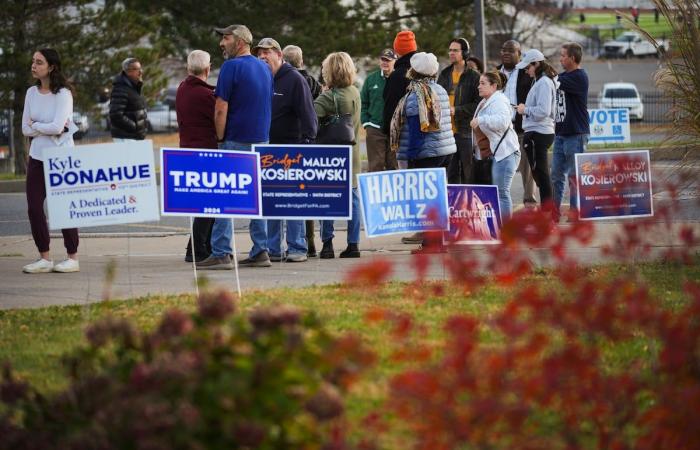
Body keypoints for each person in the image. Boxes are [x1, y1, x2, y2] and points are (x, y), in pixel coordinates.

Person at [197, 24, 273, 270]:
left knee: (225, 197)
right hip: (262, 140)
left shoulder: (230, 67)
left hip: (236, 139)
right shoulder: (264, 67)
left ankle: (221, 252)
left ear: (239, 41)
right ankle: (261, 250)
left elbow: (221, 107)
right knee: (256, 199)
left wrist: (220, 138)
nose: (221, 43)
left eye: (226, 38)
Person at [254, 37, 317, 263]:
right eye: (259, 56)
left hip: (292, 149)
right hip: (267, 150)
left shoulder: (294, 80)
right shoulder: (261, 79)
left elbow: (309, 116)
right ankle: (273, 248)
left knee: (292, 201)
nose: (262, 59)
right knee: (270, 201)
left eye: (266, 55)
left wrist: (308, 142)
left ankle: (297, 247)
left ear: (279, 55)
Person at [390, 52, 456, 253]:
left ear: (413, 71)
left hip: (425, 153)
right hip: (445, 150)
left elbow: (417, 132)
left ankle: (431, 244)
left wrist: (410, 158)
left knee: (426, 200)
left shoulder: (414, 96)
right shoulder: (440, 90)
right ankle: (440, 241)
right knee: (438, 198)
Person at [21, 49, 80, 273]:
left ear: (51, 67)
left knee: (63, 208)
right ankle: (44, 258)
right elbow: (24, 128)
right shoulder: (30, 93)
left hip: (61, 158)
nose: (34, 66)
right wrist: (41, 128)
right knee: (34, 208)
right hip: (37, 157)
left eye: (39, 62)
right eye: (33, 61)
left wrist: (37, 126)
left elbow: (57, 127)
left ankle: (72, 257)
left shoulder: (63, 94)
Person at [314, 52, 362, 259]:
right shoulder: (354, 92)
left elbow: (311, 117)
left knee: (328, 199)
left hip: (331, 155)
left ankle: (327, 244)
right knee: (353, 199)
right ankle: (353, 244)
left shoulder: (327, 98)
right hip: (352, 153)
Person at [176, 50, 217, 263]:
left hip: (189, 149)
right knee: (210, 203)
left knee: (204, 203)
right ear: (208, 69)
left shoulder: (183, 88)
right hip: (206, 150)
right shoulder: (205, 95)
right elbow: (219, 119)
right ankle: (198, 248)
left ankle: (199, 246)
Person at [282, 44, 321, 257]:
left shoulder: (289, 82)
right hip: (306, 142)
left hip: (293, 142)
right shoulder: (313, 82)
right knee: (304, 194)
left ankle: (298, 243)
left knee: (288, 196)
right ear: (302, 61)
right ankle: (310, 242)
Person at [470, 71, 521, 220]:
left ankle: (507, 232)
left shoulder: (499, 101)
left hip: (505, 153)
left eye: (483, 83)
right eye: (479, 83)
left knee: (501, 193)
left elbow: (503, 122)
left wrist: (482, 120)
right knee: (496, 193)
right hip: (495, 154)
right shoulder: (486, 101)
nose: (478, 86)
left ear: (494, 86)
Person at [515, 49, 557, 215]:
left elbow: (544, 111)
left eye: (528, 67)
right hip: (536, 131)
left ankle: (549, 212)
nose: (526, 70)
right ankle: (549, 210)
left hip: (540, 132)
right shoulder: (539, 81)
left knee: (542, 174)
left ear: (537, 64)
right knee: (540, 173)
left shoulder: (544, 82)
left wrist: (525, 110)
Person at [551, 42, 589, 222]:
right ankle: (553, 213)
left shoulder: (579, 77)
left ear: (572, 58)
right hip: (560, 134)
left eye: (563, 56)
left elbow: (556, 81)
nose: (560, 59)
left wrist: (547, 72)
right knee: (556, 176)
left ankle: (575, 213)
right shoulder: (562, 76)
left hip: (576, 134)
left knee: (574, 177)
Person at [437, 37, 480, 185]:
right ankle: (455, 206)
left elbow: (479, 105)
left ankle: (471, 204)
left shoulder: (474, 77)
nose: (451, 53)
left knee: (469, 171)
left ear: (465, 53)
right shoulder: (444, 75)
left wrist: (457, 110)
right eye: (450, 50)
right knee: (451, 171)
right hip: (447, 132)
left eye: (455, 50)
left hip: (466, 132)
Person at [498, 40, 536, 208]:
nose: (506, 53)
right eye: (504, 50)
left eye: (511, 51)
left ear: (519, 54)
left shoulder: (527, 73)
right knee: (499, 169)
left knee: (527, 169)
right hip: (500, 130)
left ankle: (529, 203)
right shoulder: (495, 74)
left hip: (521, 127)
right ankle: (498, 203)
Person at [361, 48, 397, 173]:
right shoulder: (371, 79)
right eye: (383, 59)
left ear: (395, 61)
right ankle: (374, 193)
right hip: (375, 128)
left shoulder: (399, 79)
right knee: (376, 165)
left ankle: (392, 193)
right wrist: (366, 123)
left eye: (388, 60)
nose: (385, 62)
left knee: (393, 166)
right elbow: (363, 102)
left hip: (395, 129)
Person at [109, 57, 147, 141]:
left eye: (141, 68)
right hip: (126, 139)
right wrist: (135, 127)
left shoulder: (133, 88)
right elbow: (115, 115)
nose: (141, 72)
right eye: (137, 69)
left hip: (134, 138)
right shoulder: (120, 89)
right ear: (128, 71)